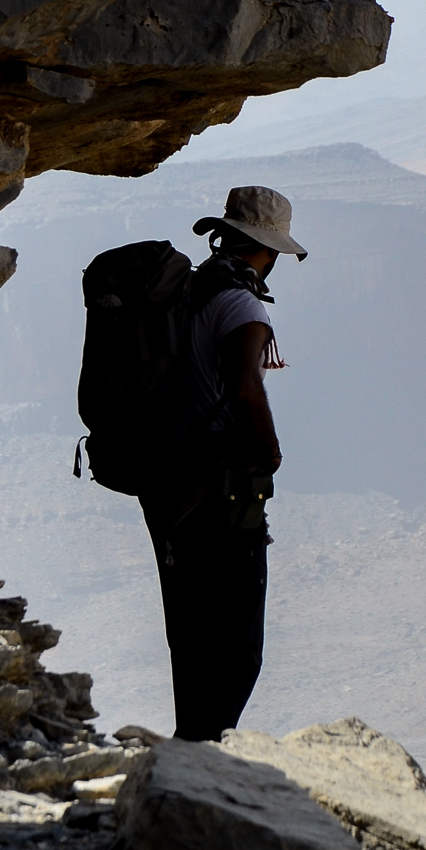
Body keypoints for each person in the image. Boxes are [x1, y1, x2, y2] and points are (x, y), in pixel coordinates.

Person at [141, 185, 305, 741]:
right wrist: (271, 452)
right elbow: (243, 385)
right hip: (220, 491)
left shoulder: (189, 289)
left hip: (170, 483)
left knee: (190, 636)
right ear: (270, 249)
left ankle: (188, 754)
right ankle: (207, 760)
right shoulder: (241, 303)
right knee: (237, 649)